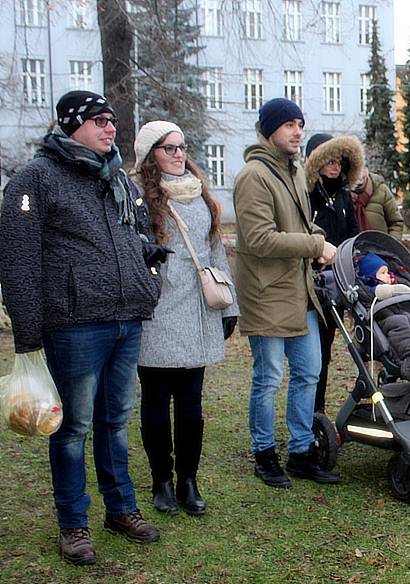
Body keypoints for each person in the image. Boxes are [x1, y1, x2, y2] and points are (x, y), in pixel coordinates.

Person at [0, 90, 164, 565]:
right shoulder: (37, 178)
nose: (110, 128)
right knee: (73, 429)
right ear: (71, 125)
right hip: (72, 325)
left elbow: (139, 236)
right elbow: (16, 257)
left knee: (114, 424)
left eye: (112, 120)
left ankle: (121, 509)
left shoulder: (118, 179)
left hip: (124, 319)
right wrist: (28, 332)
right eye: (98, 120)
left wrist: (146, 278)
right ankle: (73, 524)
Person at [132, 121, 239, 516]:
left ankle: (188, 480)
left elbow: (216, 253)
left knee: (191, 406)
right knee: (157, 402)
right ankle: (161, 479)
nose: (179, 154)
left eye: (182, 146)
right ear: (150, 155)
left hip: (197, 314)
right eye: (168, 148)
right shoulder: (137, 196)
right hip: (156, 313)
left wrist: (230, 307)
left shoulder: (199, 195)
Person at [233, 97, 340, 488]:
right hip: (266, 292)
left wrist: (318, 236)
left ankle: (300, 451)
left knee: (309, 371)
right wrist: (314, 246)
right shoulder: (253, 176)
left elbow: (299, 223)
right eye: (288, 125)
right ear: (268, 130)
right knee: (269, 377)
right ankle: (264, 454)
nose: (297, 131)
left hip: (300, 291)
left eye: (300, 123)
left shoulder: (294, 171)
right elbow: (260, 239)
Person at [304, 133, 362, 413]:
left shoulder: (343, 196)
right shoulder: (306, 193)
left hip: (335, 280)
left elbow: (352, 234)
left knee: (324, 351)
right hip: (308, 282)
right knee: (311, 356)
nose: (336, 166)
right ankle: (310, 413)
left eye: (340, 161)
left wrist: (344, 256)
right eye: (330, 160)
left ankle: (318, 412)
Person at [350, 166, 405, 239]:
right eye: (355, 170)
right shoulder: (342, 194)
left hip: (380, 247)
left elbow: (396, 222)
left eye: (362, 168)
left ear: (366, 169)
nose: (360, 174)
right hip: (350, 248)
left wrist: (391, 245)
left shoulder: (381, 190)